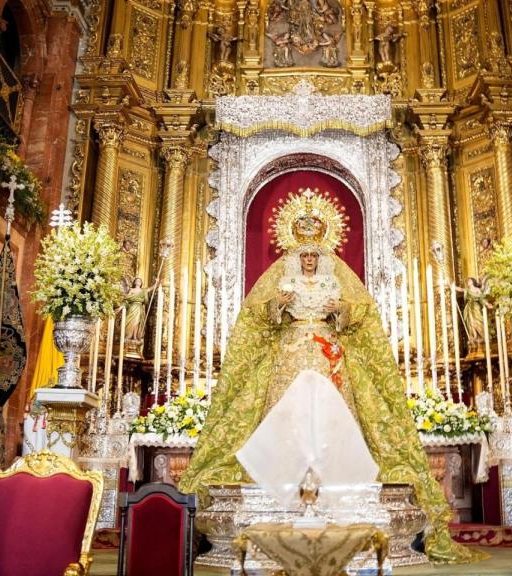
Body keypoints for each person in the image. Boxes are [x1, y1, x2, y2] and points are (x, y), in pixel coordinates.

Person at [178, 189, 483, 564]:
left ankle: (334, 471)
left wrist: (341, 310)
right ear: (296, 256)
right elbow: (257, 316)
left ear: (320, 257)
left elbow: (361, 313)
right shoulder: (282, 281)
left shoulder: (335, 280)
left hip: (327, 351)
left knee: (332, 409)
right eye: (303, 256)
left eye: (313, 256)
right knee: (285, 408)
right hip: (291, 350)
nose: (308, 260)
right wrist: (277, 306)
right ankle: (282, 471)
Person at [122, 276, 158, 356]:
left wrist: (156, 282)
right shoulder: (131, 290)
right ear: (134, 282)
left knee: (137, 323)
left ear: (141, 283)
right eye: (137, 280)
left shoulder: (143, 291)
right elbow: (127, 298)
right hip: (132, 308)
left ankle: (135, 336)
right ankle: (129, 336)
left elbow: (151, 288)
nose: (138, 282)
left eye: (140, 281)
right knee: (132, 322)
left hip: (139, 308)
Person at [454, 276, 488, 353]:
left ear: (473, 281)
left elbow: (481, 298)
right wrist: (452, 286)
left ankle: (481, 336)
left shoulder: (477, 290)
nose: (468, 282)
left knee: (478, 321)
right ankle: (474, 336)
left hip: (475, 307)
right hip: (468, 308)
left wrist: (487, 304)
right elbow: (460, 289)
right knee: (471, 323)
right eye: (467, 281)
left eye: (469, 281)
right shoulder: (467, 290)